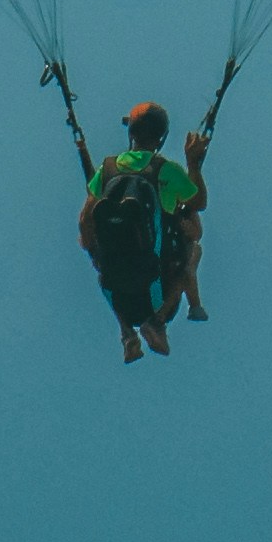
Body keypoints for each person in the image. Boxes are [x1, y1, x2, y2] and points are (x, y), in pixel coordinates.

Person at [78, 97, 211, 360]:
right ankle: (157, 322)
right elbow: (198, 202)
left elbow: (86, 221)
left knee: (101, 263)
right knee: (193, 248)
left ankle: (127, 333)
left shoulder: (106, 170)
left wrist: (93, 251)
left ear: (131, 133)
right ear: (161, 139)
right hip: (156, 287)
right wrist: (194, 164)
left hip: (115, 286)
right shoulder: (166, 171)